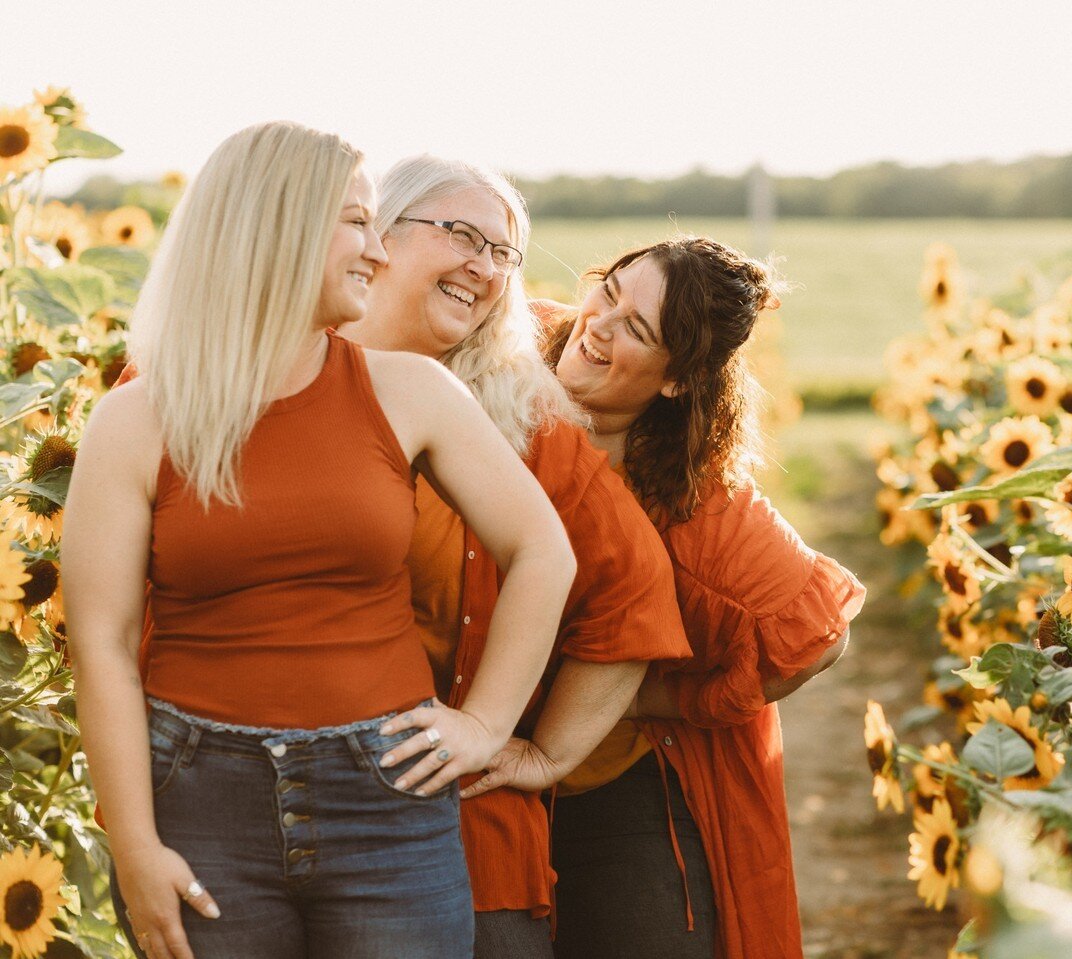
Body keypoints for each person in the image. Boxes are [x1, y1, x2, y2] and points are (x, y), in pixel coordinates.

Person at [63, 122, 574, 959]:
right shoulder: (135, 419)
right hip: (200, 805)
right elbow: (103, 645)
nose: (377, 250)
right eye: (356, 222)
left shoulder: (410, 390)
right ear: (276, 225)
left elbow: (543, 553)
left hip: (388, 807)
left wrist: (485, 722)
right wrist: (134, 846)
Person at [339, 154, 690, 958]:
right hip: (256, 825)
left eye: (504, 252)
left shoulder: (524, 417)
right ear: (374, 229)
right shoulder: (261, 366)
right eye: (462, 234)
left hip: (456, 838)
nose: (485, 267)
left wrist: (528, 744)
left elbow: (634, 592)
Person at [522, 237, 865, 958]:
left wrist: (658, 699)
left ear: (677, 380)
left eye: (637, 329)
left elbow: (818, 636)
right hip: (467, 754)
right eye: (609, 290)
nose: (600, 324)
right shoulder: (506, 347)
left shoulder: (696, 498)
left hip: (606, 777)